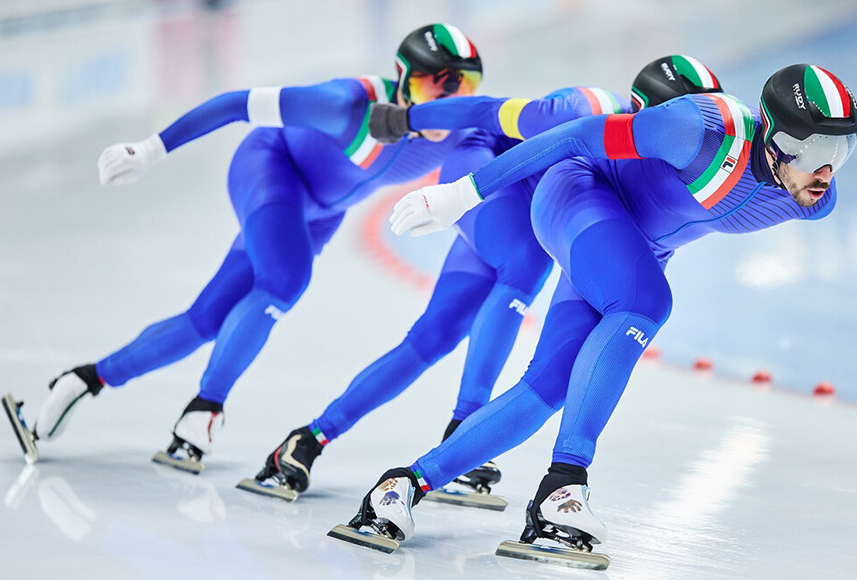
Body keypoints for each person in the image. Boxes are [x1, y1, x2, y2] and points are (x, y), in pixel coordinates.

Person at [335, 63, 857, 569]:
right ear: (773, 136)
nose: (826, 169)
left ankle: (403, 484)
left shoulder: (812, 198)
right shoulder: (699, 129)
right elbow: (574, 137)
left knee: (548, 386)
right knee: (646, 303)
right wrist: (461, 193)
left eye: (842, 150)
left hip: (623, 246)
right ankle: (563, 486)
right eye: (814, 149)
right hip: (578, 193)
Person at [1, 23, 485, 473]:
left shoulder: (462, 127)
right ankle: (205, 409)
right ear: (403, 80)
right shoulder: (343, 104)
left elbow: (530, 125)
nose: (447, 103)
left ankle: (84, 380)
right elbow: (236, 102)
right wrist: (150, 149)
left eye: (462, 89)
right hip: (271, 169)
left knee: (206, 319)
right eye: (433, 86)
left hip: (319, 213)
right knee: (284, 282)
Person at [244, 56, 722, 505]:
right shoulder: (586, 110)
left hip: (513, 205)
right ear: (650, 115)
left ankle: (307, 439)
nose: (704, 143)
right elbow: (486, 110)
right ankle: (462, 424)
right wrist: (407, 120)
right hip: (485, 172)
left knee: (433, 337)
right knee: (525, 263)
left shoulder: (673, 154)